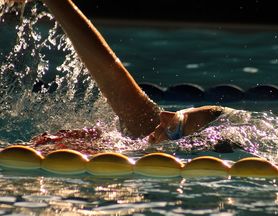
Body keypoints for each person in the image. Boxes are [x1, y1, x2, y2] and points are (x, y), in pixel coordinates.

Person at [27, 0, 231, 145]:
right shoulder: (155, 137)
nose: (165, 115)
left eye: (177, 125)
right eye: (177, 114)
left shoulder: (157, 139)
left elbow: (110, 72)